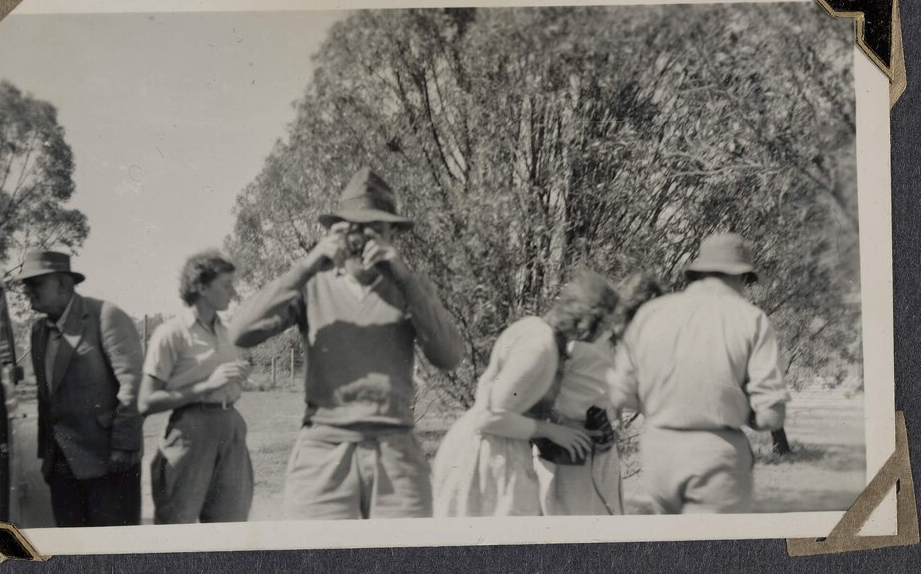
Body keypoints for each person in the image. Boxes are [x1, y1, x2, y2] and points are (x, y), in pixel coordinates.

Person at [229, 167, 463, 519]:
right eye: (354, 230)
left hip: (396, 449)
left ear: (393, 236)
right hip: (324, 446)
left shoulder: (410, 287)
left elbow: (449, 356)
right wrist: (308, 263)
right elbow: (240, 332)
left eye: (376, 230)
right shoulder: (313, 284)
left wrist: (405, 277)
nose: (363, 242)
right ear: (335, 233)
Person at [607, 233, 791, 514]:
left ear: (700, 273)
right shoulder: (750, 318)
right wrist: (739, 409)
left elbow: (620, 393)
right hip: (715, 455)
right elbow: (772, 415)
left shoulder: (652, 312)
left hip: (658, 452)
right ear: (743, 278)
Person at [433, 269, 619, 517]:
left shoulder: (537, 330)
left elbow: (515, 405)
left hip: (496, 449)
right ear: (587, 319)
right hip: (486, 454)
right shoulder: (540, 347)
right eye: (605, 323)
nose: (607, 332)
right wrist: (552, 431)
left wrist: (568, 430)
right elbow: (489, 417)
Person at [13, 250, 143, 527]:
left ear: (63, 284)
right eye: (27, 286)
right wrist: (46, 457)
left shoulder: (105, 316)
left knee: (114, 551)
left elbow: (133, 385)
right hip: (60, 469)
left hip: (109, 463)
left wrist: (124, 446)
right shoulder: (38, 331)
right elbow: (45, 398)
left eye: (36, 284)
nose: (28, 292)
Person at [532, 273, 664, 516]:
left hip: (602, 445)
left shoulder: (623, 347)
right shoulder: (581, 338)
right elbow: (540, 393)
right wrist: (562, 425)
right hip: (568, 449)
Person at [139, 251, 254, 524]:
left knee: (231, 527)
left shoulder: (228, 333)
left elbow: (223, 377)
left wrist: (237, 377)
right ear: (201, 287)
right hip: (190, 431)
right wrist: (207, 385)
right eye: (226, 284)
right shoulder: (171, 334)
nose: (233, 291)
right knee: (178, 526)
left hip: (231, 428)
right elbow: (146, 402)